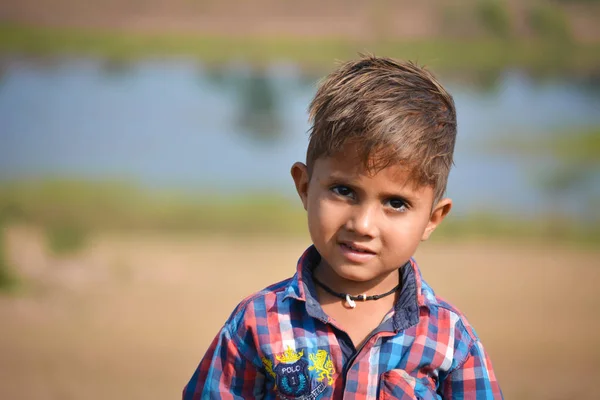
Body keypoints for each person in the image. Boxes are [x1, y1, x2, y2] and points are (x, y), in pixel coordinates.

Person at [183, 55, 503, 399]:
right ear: (305, 186)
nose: (363, 225)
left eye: (396, 203)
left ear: (432, 219)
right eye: (344, 191)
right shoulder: (258, 324)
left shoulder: (449, 340)